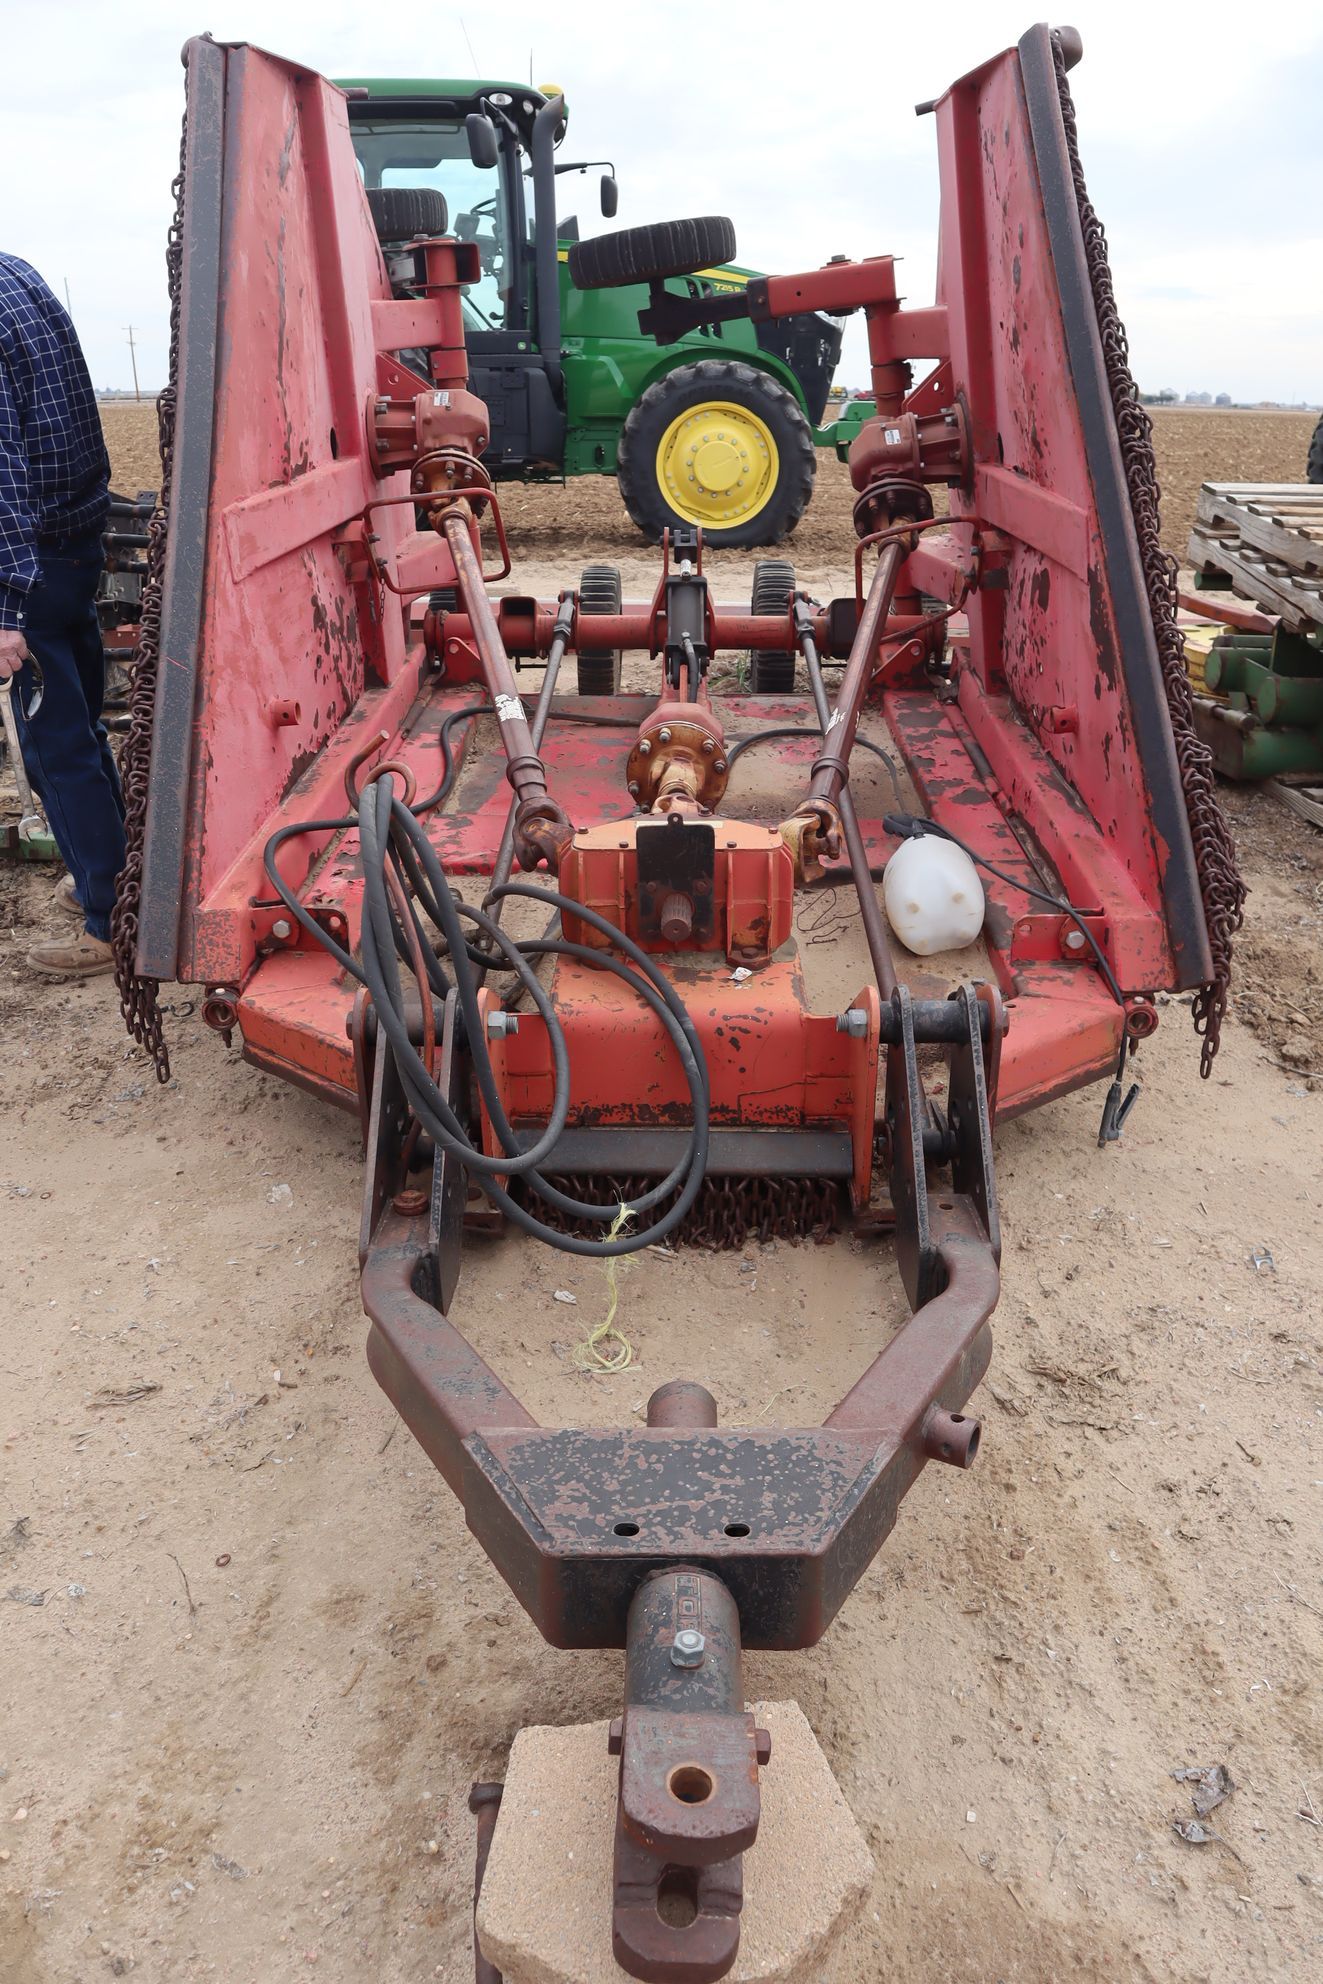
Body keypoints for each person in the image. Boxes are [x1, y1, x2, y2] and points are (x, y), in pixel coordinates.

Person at [0, 251, 124, 977]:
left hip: (32, 564)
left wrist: (6, 607)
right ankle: (117, 874)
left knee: (54, 745)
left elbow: (1, 475)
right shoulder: (17, 275)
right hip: (74, 541)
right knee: (82, 728)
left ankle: (109, 921)